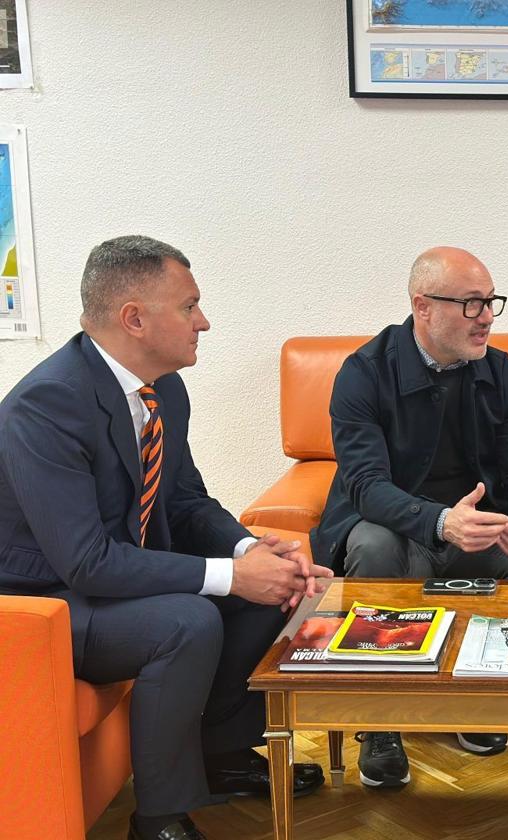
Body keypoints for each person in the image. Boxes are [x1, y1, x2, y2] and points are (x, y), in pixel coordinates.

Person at [0, 236, 334, 840]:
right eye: (189, 307)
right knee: (187, 621)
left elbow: (184, 498)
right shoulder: (45, 407)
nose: (203, 321)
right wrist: (231, 577)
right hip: (45, 601)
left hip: (111, 577)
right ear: (134, 318)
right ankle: (157, 820)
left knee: (280, 591)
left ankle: (223, 756)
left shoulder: (162, 389)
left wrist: (250, 553)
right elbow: (87, 562)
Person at [311, 245, 508, 790]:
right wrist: (438, 520)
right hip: (400, 528)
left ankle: (476, 694)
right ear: (423, 307)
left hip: (477, 532)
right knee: (373, 546)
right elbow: (364, 485)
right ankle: (381, 721)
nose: (487, 319)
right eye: (472, 304)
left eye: (490, 303)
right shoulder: (363, 374)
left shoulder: (501, 372)